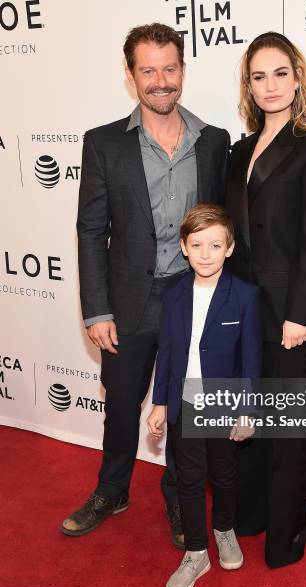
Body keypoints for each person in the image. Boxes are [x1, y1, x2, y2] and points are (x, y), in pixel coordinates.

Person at [62, 24, 230, 547]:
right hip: (128, 300)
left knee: (182, 409)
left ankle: (180, 498)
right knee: (121, 403)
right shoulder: (104, 142)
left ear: (183, 70)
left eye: (170, 68)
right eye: (148, 70)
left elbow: (224, 225)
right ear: (132, 75)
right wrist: (96, 309)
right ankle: (112, 490)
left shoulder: (214, 142)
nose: (161, 81)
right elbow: (91, 229)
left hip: (190, 298)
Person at [225, 32, 306, 568]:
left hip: (287, 308)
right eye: (258, 76)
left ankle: (287, 536)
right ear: (248, 86)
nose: (269, 86)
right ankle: (251, 516)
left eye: (279, 73)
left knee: (289, 428)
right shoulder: (239, 149)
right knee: (247, 417)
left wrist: (300, 311)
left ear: (297, 76)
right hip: (243, 305)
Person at [147, 204, 262, 587]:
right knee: (189, 480)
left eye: (215, 244)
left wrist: (247, 408)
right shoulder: (174, 292)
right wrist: (160, 401)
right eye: (197, 244)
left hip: (224, 402)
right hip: (185, 401)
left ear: (229, 248)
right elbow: (166, 350)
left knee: (225, 474)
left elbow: (250, 360)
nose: (206, 253)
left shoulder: (245, 296)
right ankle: (197, 553)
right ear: (183, 246)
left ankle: (225, 529)